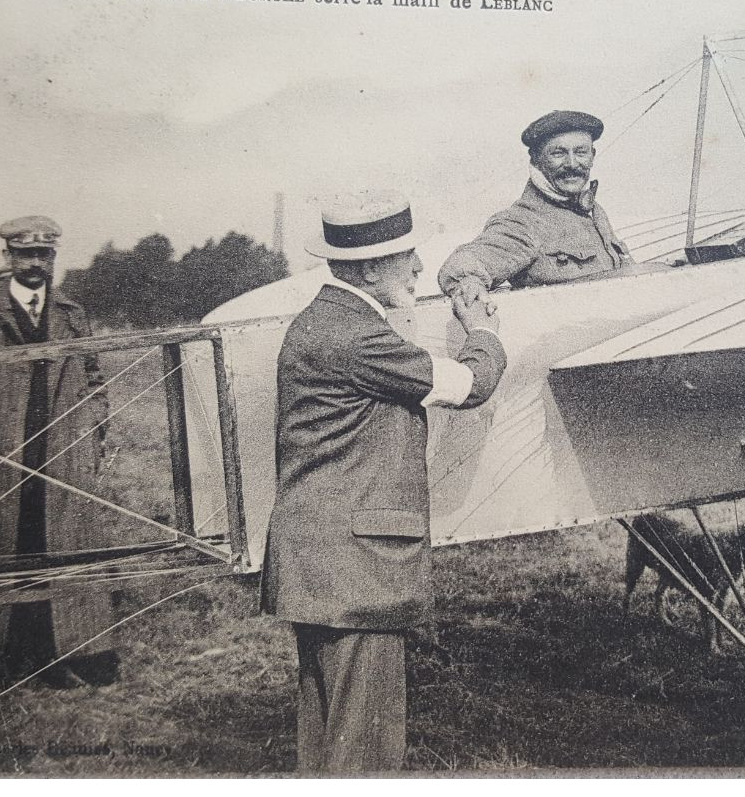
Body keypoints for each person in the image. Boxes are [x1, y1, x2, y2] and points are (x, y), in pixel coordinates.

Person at [261, 191, 507, 772]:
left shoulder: (329, 320)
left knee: (329, 734)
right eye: (407, 257)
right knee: (364, 745)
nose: (420, 268)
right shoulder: (355, 335)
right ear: (370, 267)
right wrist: (482, 329)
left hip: (323, 563)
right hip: (353, 568)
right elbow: (467, 385)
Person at [0, 215, 118, 689]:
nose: (35, 264)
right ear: (8, 258)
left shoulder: (72, 315)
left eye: (44, 255)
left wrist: (92, 428)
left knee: (55, 548)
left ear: (53, 257)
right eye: (25, 255)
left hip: (61, 456)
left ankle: (64, 653)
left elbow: (95, 380)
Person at [438, 110, 631, 311]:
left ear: (592, 156)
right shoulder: (525, 220)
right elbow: (464, 263)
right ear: (537, 158)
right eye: (558, 153)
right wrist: (470, 282)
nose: (572, 164)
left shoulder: (592, 211)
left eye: (581, 152)